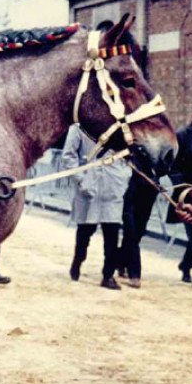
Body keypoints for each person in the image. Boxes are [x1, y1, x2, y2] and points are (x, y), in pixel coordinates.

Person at [61, 123, 130, 290]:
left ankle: (108, 276)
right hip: (89, 187)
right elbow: (68, 157)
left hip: (113, 187)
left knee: (112, 235)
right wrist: (82, 180)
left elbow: (129, 156)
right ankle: (77, 263)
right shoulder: (79, 128)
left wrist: (124, 177)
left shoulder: (121, 128)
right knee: (85, 232)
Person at [116, 170, 159, 288]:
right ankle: (134, 274)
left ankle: (119, 261)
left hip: (150, 191)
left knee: (138, 232)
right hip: (129, 188)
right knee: (131, 230)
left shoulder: (168, 151)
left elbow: (169, 167)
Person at [166, 114, 192, 283]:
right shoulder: (183, 135)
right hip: (186, 196)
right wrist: (185, 188)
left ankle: (185, 264)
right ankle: (186, 267)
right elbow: (173, 167)